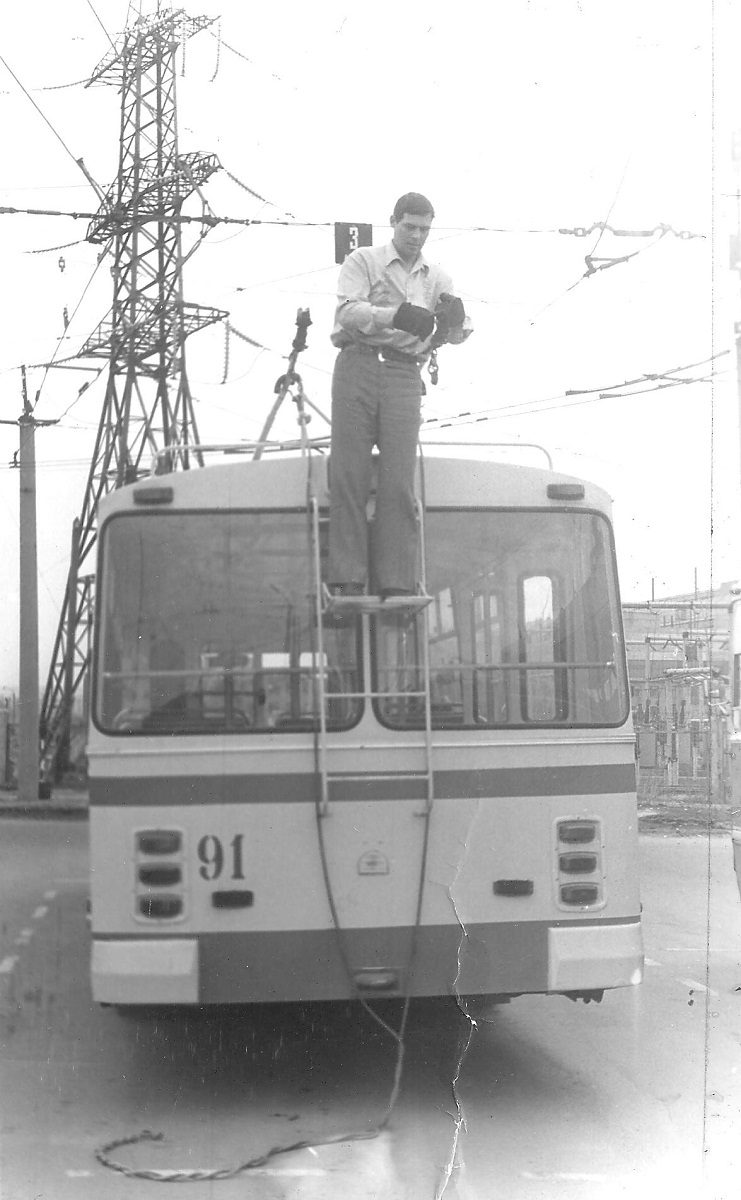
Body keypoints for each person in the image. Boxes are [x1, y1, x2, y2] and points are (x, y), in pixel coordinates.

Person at [327, 192, 472, 599]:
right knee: (349, 473)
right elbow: (347, 313)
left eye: (424, 229)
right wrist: (394, 314)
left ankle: (396, 579)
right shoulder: (364, 261)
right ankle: (348, 577)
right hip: (358, 365)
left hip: (405, 374)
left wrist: (457, 323)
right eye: (409, 226)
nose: (416, 235)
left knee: (398, 479)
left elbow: (455, 332)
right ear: (393, 222)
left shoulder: (437, 278)